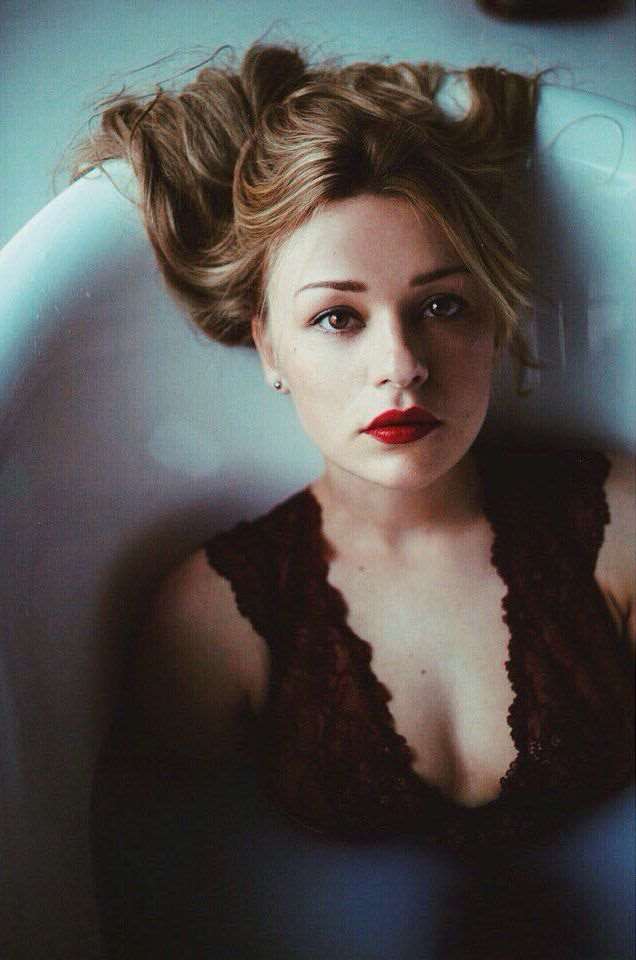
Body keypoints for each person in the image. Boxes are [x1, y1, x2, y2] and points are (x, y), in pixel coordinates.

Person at [78, 42, 635, 957]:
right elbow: (155, 876)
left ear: (497, 318)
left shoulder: (617, 529)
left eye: (443, 306)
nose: (401, 365)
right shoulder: (218, 620)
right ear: (269, 347)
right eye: (338, 317)